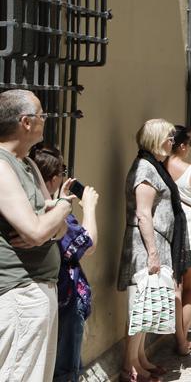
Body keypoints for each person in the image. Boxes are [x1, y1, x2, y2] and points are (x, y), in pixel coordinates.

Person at [0, 90, 77, 382]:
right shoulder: (2, 166)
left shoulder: (28, 165)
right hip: (20, 291)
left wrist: (53, 217)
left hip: (41, 288)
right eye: (41, 114)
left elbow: (58, 228)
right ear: (26, 122)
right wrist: (63, 206)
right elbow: (35, 229)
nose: (45, 120)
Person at [117, 119, 190, 382]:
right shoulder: (145, 170)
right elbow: (143, 214)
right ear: (157, 139)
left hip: (156, 242)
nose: (173, 140)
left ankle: (140, 359)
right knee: (140, 304)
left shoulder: (153, 166)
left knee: (148, 304)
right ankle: (129, 367)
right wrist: (153, 253)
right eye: (169, 136)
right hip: (146, 244)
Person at [29, 144, 100, 382]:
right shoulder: (55, 213)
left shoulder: (28, 205)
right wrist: (89, 207)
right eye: (62, 171)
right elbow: (87, 246)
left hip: (50, 298)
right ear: (53, 178)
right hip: (66, 301)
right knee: (66, 371)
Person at [164, 126, 191, 356]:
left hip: (167, 232)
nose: (190, 148)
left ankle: (177, 336)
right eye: (189, 144)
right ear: (181, 146)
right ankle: (181, 339)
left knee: (176, 287)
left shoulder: (158, 167)